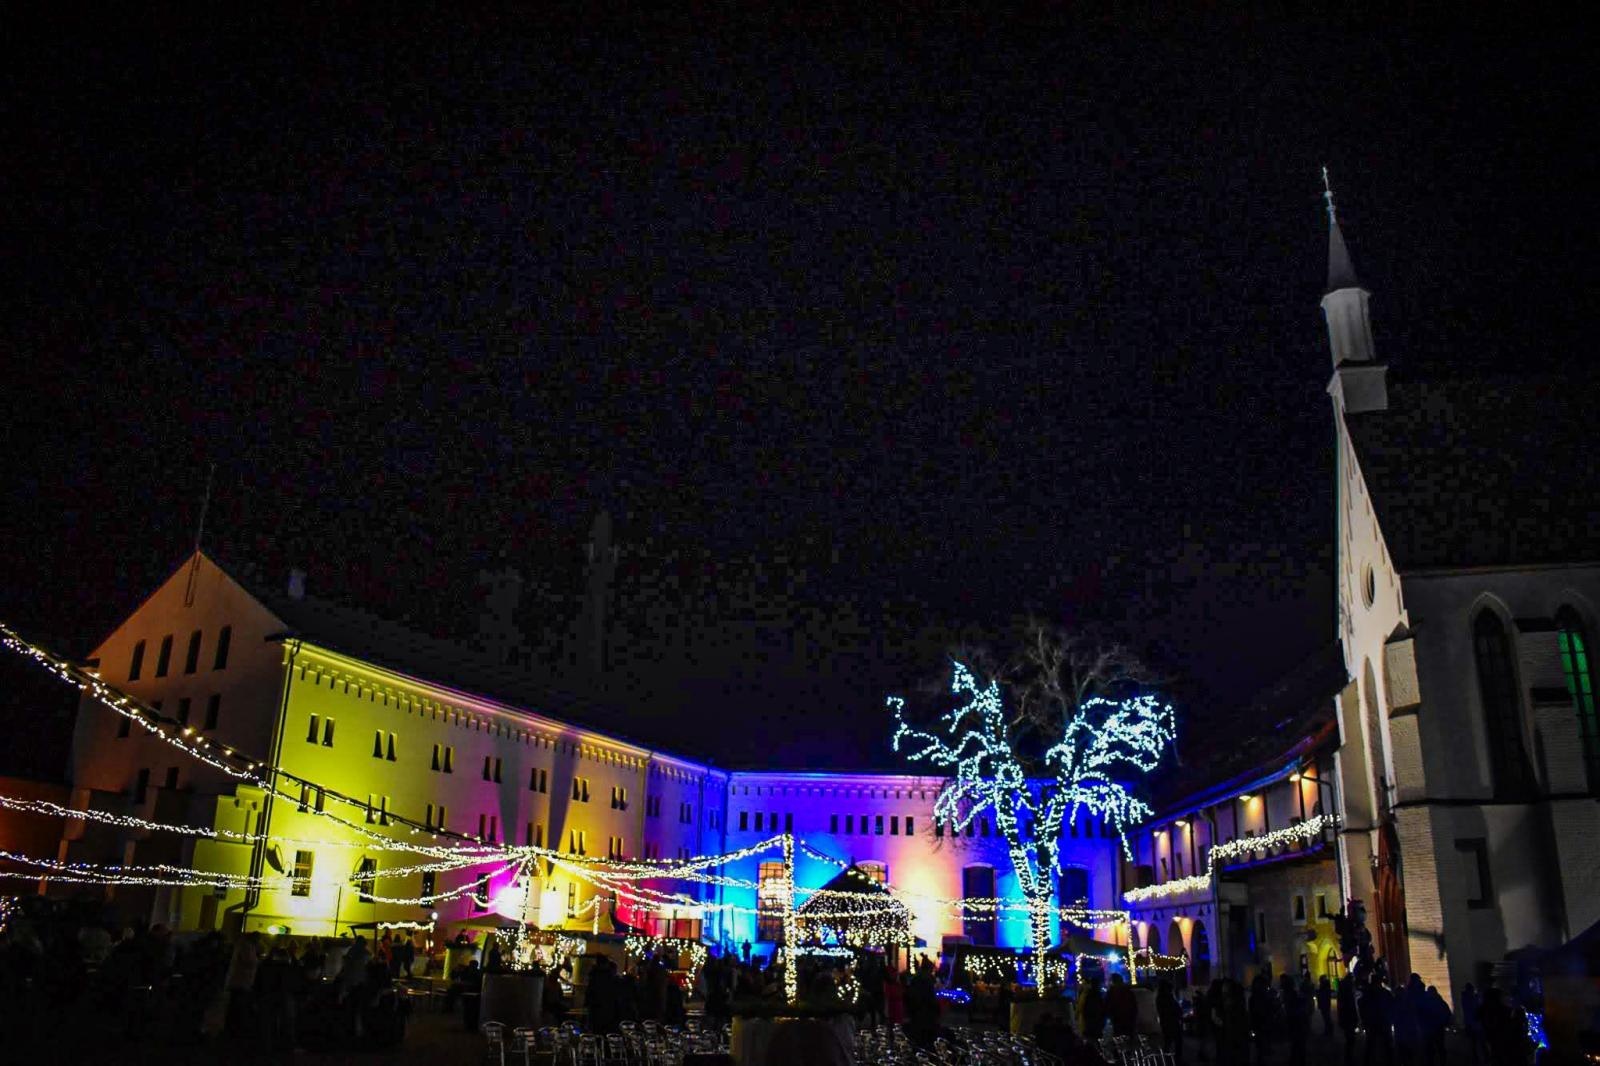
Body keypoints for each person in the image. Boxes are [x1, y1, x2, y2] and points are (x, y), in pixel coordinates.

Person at [1281, 974, 1310, 1066]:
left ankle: (1297, 1061)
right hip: (1296, 1024)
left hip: (1296, 1024)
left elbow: (1297, 1009)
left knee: (1297, 1045)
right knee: (1298, 1046)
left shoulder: (1291, 995)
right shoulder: (1291, 994)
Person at [1157, 980, 1184, 1066]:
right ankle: (1176, 1060)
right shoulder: (1168, 998)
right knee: (1176, 1042)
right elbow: (1176, 1009)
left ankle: (1168, 1060)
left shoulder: (1160, 998)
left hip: (1166, 1023)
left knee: (1168, 1043)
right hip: (1172, 1022)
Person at [1106, 972, 1138, 1038]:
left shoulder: (1111, 992)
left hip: (1117, 1018)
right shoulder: (1128, 991)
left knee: (1119, 1037)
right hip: (1128, 1017)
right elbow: (1134, 1004)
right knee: (1129, 1036)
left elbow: (1108, 1005)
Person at [1338, 976, 1360, 1066]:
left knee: (1350, 1040)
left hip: (1347, 1019)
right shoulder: (1348, 995)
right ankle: (1349, 1058)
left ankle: (1349, 1058)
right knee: (1350, 1040)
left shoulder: (1343, 994)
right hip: (1349, 1019)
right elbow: (1351, 1008)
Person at [1461, 982, 1484, 1063]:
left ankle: (1476, 1058)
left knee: (1474, 1043)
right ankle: (1482, 1057)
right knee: (1480, 1042)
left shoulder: (1465, 998)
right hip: (1475, 1024)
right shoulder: (1473, 998)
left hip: (1471, 1024)